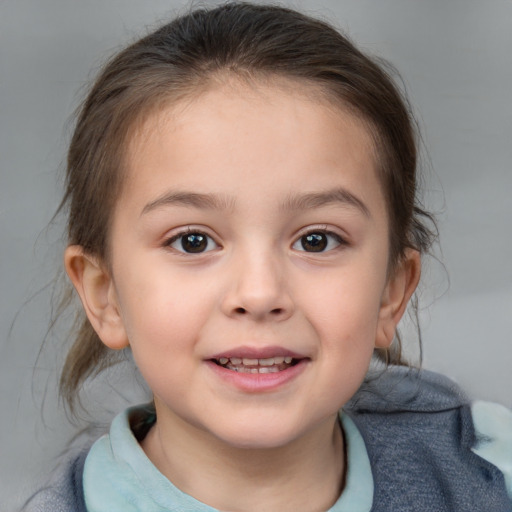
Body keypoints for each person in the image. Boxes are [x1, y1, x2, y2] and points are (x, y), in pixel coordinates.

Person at [23, 2, 512, 511]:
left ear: (392, 290)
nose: (259, 294)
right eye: (193, 241)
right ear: (105, 296)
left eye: (316, 240)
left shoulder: (483, 472)